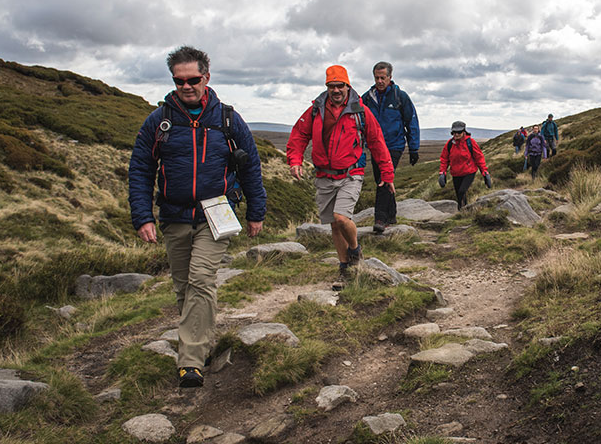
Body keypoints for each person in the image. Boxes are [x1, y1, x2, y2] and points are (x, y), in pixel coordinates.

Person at [128, 46, 266, 389]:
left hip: (216, 213)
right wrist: (143, 216)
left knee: (202, 279)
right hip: (174, 215)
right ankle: (201, 341)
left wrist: (255, 211)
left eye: (193, 79)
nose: (186, 86)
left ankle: (190, 362)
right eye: (179, 80)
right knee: (184, 287)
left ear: (207, 76)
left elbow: (251, 168)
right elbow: (140, 170)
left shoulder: (228, 119)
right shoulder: (158, 121)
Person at [286, 65, 395, 285]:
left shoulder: (360, 111)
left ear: (348, 85)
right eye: (331, 86)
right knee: (334, 225)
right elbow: (299, 135)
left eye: (340, 86)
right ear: (327, 87)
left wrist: (387, 173)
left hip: (351, 172)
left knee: (341, 218)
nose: (336, 90)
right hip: (324, 174)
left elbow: (376, 141)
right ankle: (345, 267)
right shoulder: (316, 109)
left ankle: (355, 249)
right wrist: (295, 160)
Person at [361, 61, 420, 233]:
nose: (379, 81)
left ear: (390, 77)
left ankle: (380, 218)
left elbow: (412, 122)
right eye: (377, 77)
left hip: (394, 145)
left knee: (383, 179)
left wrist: (414, 148)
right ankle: (392, 214)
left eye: (383, 77)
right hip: (375, 145)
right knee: (382, 177)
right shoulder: (366, 98)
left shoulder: (400, 97)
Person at [438, 121, 491, 210]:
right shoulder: (450, 144)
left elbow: (479, 158)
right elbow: (444, 159)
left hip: (469, 172)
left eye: (459, 132)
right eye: (454, 132)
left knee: (462, 191)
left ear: (464, 132)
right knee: (459, 194)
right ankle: (463, 212)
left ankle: (462, 211)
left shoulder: (470, 142)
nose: (456, 134)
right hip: (456, 173)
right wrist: (442, 173)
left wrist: (484, 172)